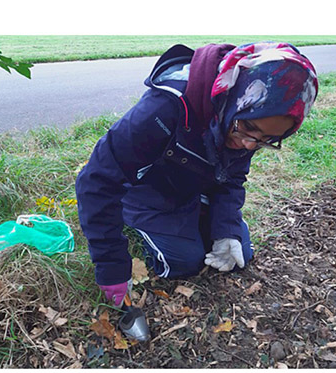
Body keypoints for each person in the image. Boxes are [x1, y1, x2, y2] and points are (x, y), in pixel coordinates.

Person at [76, 42, 318, 307]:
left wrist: (227, 230)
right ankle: (136, 221)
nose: (250, 145)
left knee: (239, 253)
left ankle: (204, 225)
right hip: (146, 191)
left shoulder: (245, 123)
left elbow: (232, 177)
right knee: (185, 261)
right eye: (249, 127)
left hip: (191, 186)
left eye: (267, 139)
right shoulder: (165, 107)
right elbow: (97, 179)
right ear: (233, 96)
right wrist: (111, 267)